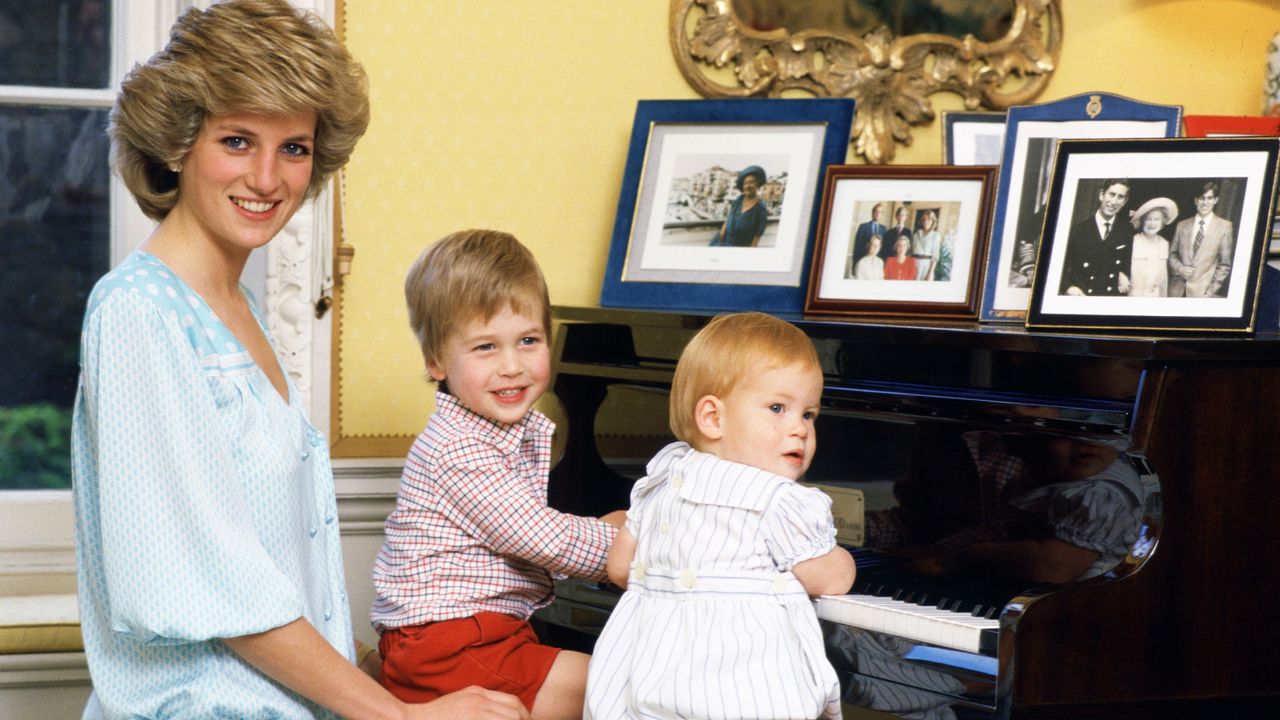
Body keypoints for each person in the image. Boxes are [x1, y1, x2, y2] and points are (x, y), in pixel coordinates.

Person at [72, 2, 527, 718]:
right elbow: (211, 583)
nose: (267, 177)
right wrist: (398, 715)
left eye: (294, 148)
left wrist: (381, 678)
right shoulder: (138, 313)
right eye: (237, 139)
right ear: (177, 143)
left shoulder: (236, 307)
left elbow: (274, 564)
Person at [372, 229, 626, 719]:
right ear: (435, 361)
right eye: (486, 347)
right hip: (450, 647)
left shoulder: (495, 432)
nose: (512, 365)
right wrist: (621, 544)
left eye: (528, 340)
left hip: (478, 634)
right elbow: (538, 536)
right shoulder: (459, 447)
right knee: (628, 685)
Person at [584, 312, 855, 720]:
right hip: (737, 690)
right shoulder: (777, 499)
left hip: (643, 679)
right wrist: (844, 559)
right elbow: (830, 579)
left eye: (808, 414)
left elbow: (621, 568)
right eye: (778, 407)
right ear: (712, 418)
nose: (799, 429)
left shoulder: (661, 480)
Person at [1059, 178, 1132, 296]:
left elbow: (1127, 262)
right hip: (1083, 297)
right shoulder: (1077, 231)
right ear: (1101, 195)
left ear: (1125, 201)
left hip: (1111, 299)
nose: (1114, 202)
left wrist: (1123, 273)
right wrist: (1069, 288)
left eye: (1120, 197)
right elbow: (1058, 268)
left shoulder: (1126, 230)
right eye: (1112, 194)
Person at [1169, 181, 1234, 298]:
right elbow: (1172, 255)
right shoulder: (1182, 225)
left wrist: (1210, 291)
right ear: (1195, 200)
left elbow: (1224, 265)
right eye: (1201, 198)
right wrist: (1179, 268)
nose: (1205, 202)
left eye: (1209, 198)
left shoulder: (1225, 226)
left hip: (1202, 294)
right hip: (1176, 291)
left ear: (1216, 200)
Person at [1127, 196, 1177, 297]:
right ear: (1142, 221)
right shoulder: (1133, 241)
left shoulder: (1164, 244)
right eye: (1148, 219)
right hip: (1134, 295)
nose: (1152, 223)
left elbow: (1164, 278)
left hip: (1154, 297)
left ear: (1162, 222)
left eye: (1156, 219)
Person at [712, 165, 769, 247]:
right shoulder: (739, 199)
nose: (748, 186)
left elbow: (757, 235)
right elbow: (730, 215)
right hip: (722, 240)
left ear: (758, 184)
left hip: (739, 246)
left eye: (751, 182)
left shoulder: (761, 208)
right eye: (745, 183)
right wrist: (723, 228)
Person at [910, 209, 941, 281]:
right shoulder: (916, 234)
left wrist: (930, 272)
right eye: (924, 219)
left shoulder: (935, 235)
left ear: (933, 221)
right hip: (914, 263)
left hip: (926, 265)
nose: (925, 221)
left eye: (929, 219)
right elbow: (911, 252)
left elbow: (935, 256)